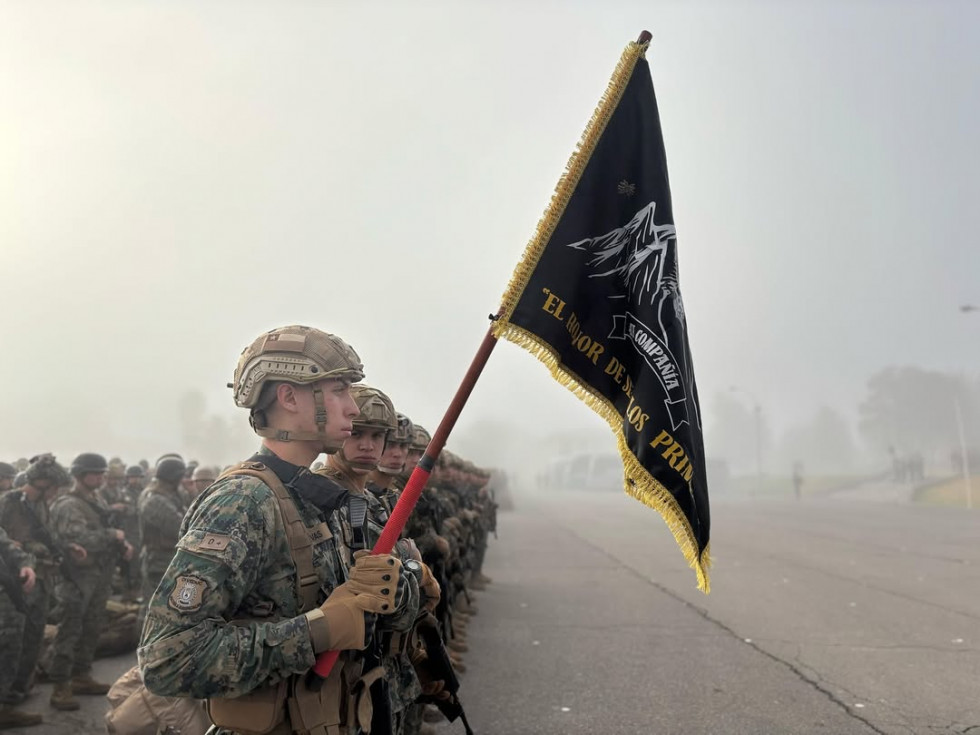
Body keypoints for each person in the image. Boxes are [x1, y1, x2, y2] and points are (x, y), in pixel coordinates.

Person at [139, 325, 410, 735]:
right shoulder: (243, 502)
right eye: (339, 391)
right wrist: (316, 630)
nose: (353, 409)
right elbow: (168, 660)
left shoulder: (316, 497)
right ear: (289, 397)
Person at [48, 452, 134, 710]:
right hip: (77, 578)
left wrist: (121, 542)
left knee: (92, 626)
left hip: (98, 575)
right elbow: (80, 538)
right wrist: (112, 535)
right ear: (79, 476)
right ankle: (60, 686)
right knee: (69, 630)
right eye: (94, 473)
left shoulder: (96, 499)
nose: (99, 477)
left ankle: (81, 675)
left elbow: (106, 531)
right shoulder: (68, 505)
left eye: (101, 473)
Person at [0, 455, 82, 710]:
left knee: (34, 636)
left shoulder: (40, 505)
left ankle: (19, 688)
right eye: (54, 487)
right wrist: (32, 550)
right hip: (16, 581)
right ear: (43, 482)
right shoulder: (10, 503)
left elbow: (47, 537)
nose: (57, 492)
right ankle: (7, 698)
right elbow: (9, 543)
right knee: (14, 639)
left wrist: (66, 547)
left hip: (41, 577)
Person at [137, 455, 187, 626]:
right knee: (154, 611)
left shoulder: (170, 495)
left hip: (168, 560)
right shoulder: (154, 499)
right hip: (158, 561)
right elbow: (180, 526)